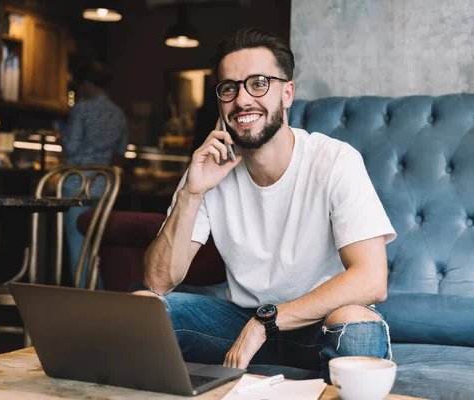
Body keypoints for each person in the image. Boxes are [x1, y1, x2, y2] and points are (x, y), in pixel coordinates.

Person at [137, 27, 396, 383]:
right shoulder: (208, 169)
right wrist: (192, 192)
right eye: (229, 88)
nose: (242, 100)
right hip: (238, 322)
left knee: (356, 321)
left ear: (287, 93)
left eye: (258, 83)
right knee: (144, 309)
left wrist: (266, 320)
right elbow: (159, 282)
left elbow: (371, 279)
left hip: (319, 322)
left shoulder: (334, 160)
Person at [62, 61, 128, 288]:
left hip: (77, 181)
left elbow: (71, 146)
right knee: (99, 242)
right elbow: (121, 151)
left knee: (78, 242)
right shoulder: (118, 112)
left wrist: (59, 135)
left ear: (88, 84)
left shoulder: (81, 108)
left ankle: (86, 295)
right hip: (105, 183)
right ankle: (99, 293)